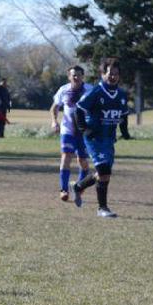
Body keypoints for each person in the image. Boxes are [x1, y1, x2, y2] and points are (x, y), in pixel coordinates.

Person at [72, 57, 132, 218]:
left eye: (116, 74)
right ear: (103, 74)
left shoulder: (121, 94)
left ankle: (78, 187)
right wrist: (84, 129)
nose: (113, 77)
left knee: (103, 174)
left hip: (109, 139)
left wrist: (125, 132)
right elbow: (78, 110)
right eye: (110, 73)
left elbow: (124, 115)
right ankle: (102, 208)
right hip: (94, 138)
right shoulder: (96, 91)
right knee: (104, 170)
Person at [50, 65, 95, 202]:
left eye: (79, 75)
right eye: (73, 75)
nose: (76, 77)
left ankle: (79, 187)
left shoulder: (90, 90)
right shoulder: (63, 90)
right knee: (66, 157)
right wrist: (54, 121)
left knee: (82, 161)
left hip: (83, 131)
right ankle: (64, 189)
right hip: (67, 130)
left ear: (83, 76)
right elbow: (54, 107)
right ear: (69, 76)